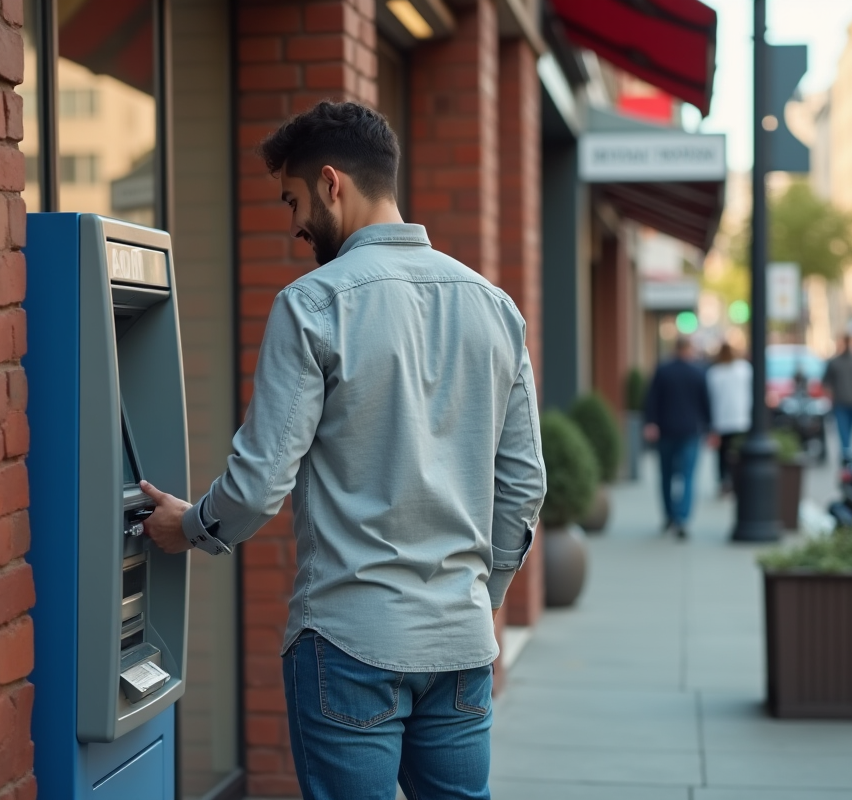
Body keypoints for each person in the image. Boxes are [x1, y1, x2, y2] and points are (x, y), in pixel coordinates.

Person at [137, 101, 546, 800]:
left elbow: (263, 480)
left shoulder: (313, 305)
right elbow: (524, 489)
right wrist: (479, 594)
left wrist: (192, 526)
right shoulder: (495, 307)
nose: (293, 223)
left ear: (332, 183)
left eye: (293, 198)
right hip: (460, 642)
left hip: (350, 641)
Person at [643, 336, 712, 538]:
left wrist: (651, 423)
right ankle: (682, 518)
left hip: (666, 431)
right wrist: (710, 427)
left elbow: (651, 399)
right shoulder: (698, 372)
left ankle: (669, 515)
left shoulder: (663, 371)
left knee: (666, 475)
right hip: (690, 431)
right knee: (688, 476)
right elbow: (706, 403)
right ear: (689, 349)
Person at [705, 342, 752, 496]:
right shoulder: (744, 369)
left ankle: (724, 482)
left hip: (721, 420)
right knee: (738, 453)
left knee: (722, 455)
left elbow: (710, 398)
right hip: (741, 418)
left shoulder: (715, 372)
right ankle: (736, 481)